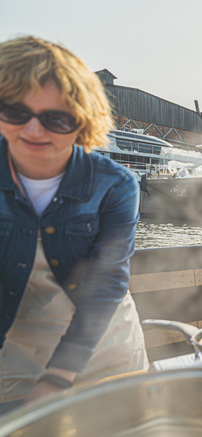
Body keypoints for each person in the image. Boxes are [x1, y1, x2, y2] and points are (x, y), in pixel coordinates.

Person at [0, 37, 148, 403]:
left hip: (107, 355)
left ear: (82, 122)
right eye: (16, 112)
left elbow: (107, 282)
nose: (34, 131)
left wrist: (59, 375)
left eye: (57, 119)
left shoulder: (116, 184)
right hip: (15, 363)